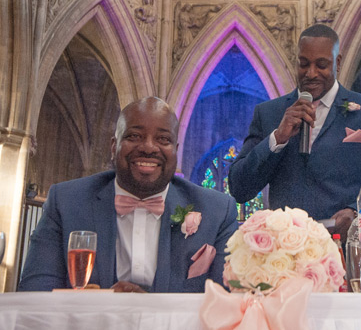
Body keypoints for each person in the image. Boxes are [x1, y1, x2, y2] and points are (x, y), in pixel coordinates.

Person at [19, 97, 239, 293]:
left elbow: (226, 303)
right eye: (134, 136)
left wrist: (149, 311)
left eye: (163, 139)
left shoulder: (217, 211)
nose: (149, 147)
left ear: (176, 150)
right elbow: (35, 291)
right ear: (113, 146)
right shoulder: (67, 202)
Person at [228, 24, 361, 237]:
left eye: (321, 65)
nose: (311, 74)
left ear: (337, 63)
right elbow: (239, 188)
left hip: (345, 246)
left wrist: (355, 211)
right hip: (286, 249)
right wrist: (277, 138)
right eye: (304, 64)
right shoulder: (269, 114)